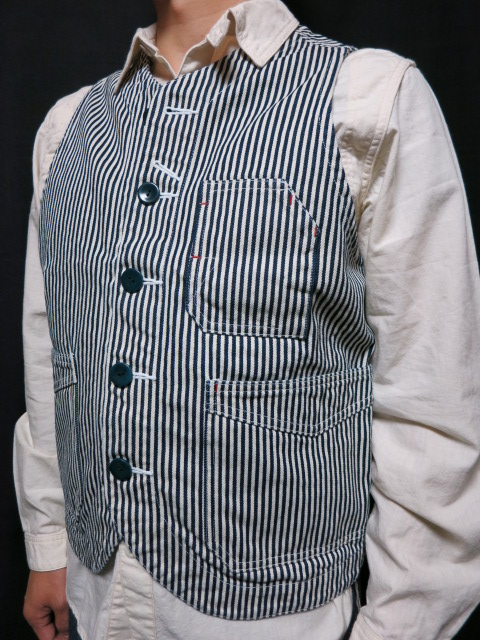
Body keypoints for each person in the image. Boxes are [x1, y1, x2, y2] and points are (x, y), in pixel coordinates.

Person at [13, 0, 480, 638]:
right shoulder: (66, 129)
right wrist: (47, 540)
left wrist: (400, 626)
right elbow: (52, 352)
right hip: (95, 585)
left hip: (275, 611)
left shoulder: (368, 99)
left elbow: (433, 399)